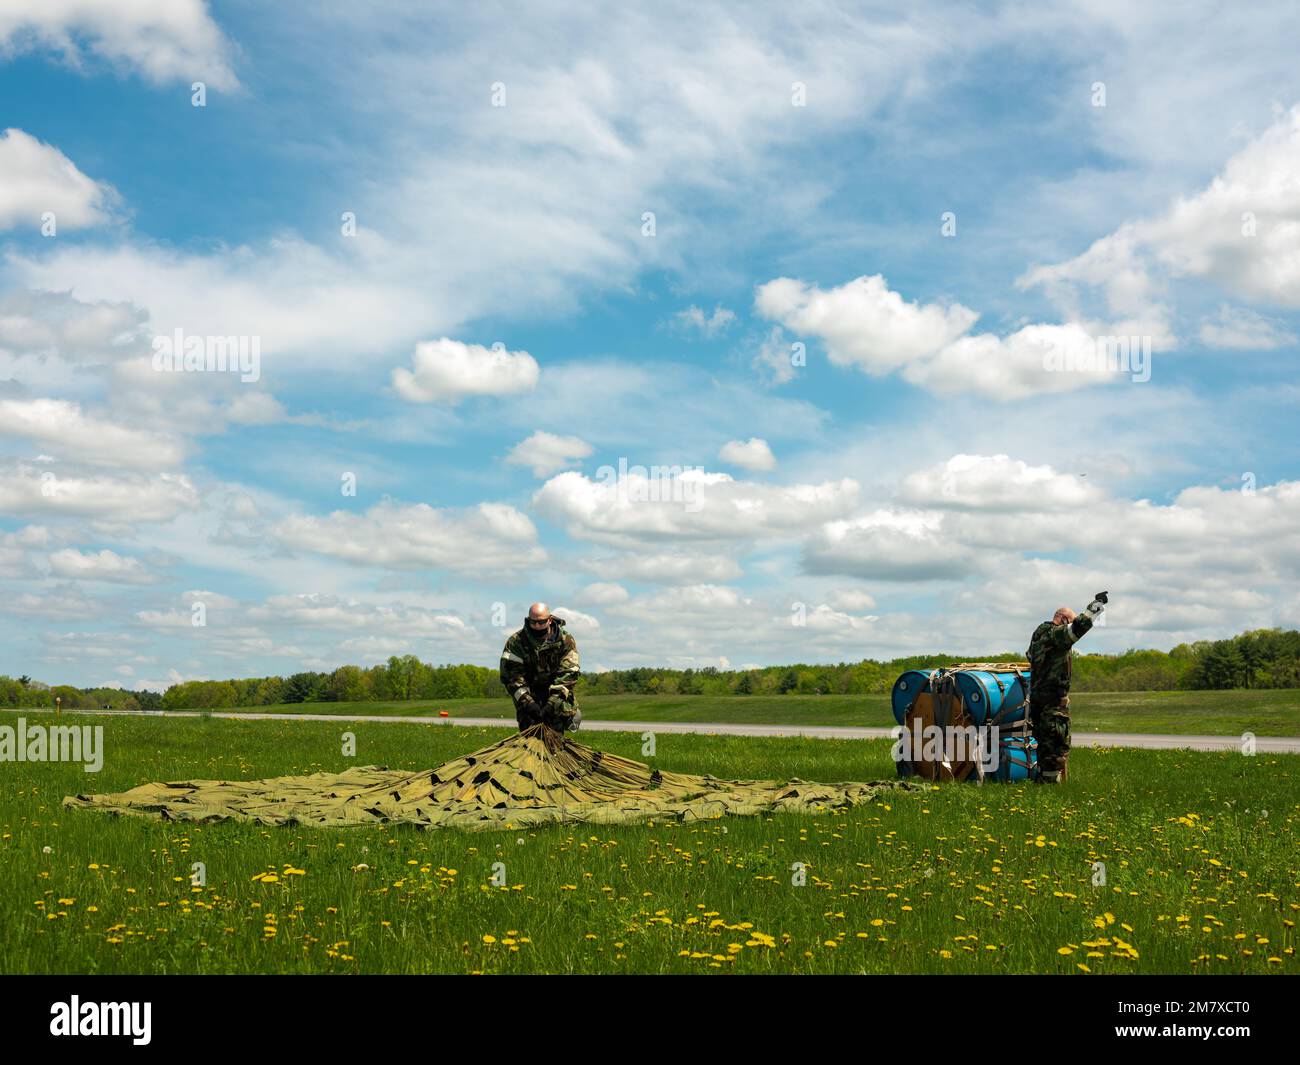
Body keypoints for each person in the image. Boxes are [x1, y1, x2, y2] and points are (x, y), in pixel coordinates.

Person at [1026, 591, 1108, 783]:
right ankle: (1050, 792)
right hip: (1053, 705)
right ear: (1062, 619)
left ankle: (1041, 785)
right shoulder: (1054, 635)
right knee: (1055, 749)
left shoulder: (1038, 637)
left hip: (1039, 703)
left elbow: (1031, 657)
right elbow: (1076, 630)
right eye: (1068, 621)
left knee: (1045, 749)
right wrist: (1095, 607)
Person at [499, 602, 582, 732]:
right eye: (533, 622)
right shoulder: (516, 642)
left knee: (555, 737)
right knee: (529, 738)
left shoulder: (565, 640)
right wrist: (529, 703)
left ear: (550, 620)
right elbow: (512, 677)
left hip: (555, 693)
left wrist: (552, 703)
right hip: (528, 696)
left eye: (542, 622)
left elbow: (569, 673)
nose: (537, 626)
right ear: (528, 620)